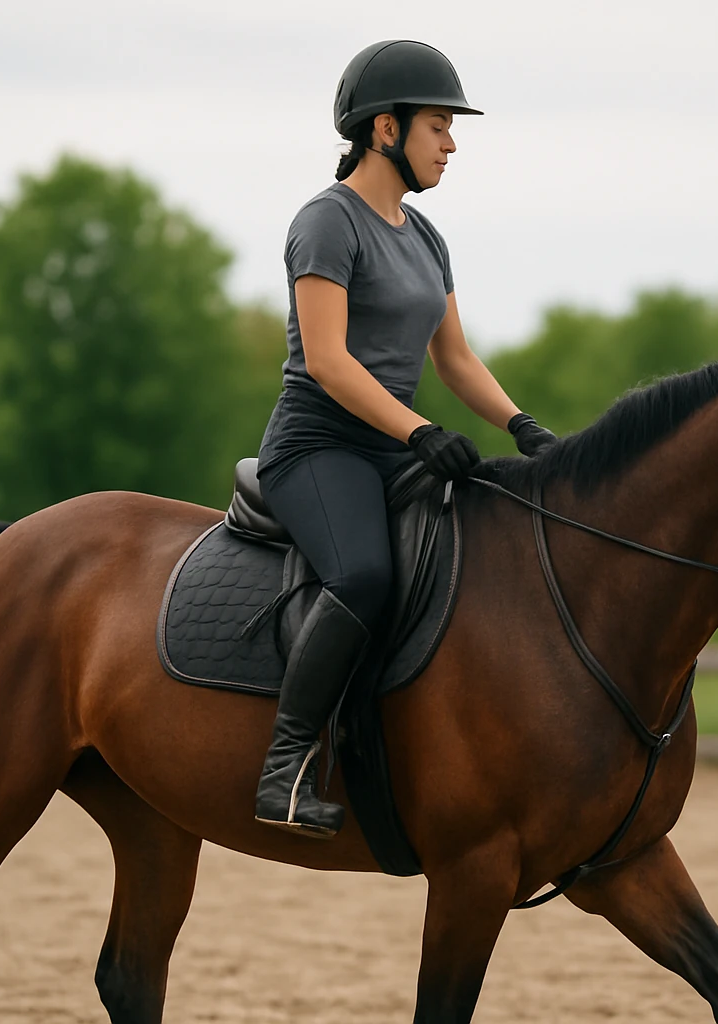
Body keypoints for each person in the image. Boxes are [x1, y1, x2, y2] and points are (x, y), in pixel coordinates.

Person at [253, 39, 559, 837]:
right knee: (361, 577)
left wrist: (522, 426)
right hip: (319, 446)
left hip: (393, 444)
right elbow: (326, 360)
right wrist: (422, 431)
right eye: (438, 125)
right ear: (384, 130)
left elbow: (453, 357)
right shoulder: (326, 222)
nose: (452, 143)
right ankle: (284, 767)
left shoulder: (425, 236)